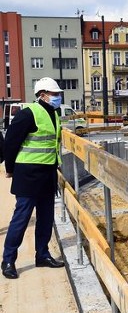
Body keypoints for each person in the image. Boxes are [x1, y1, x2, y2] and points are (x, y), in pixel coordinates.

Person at [1, 77, 66, 279]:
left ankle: (43, 255)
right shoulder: (29, 113)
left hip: (47, 175)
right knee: (21, 219)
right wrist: (9, 168)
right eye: (54, 94)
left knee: (46, 218)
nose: (57, 97)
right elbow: (11, 142)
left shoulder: (54, 114)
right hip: (28, 174)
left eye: (58, 94)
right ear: (42, 95)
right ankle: (8, 260)